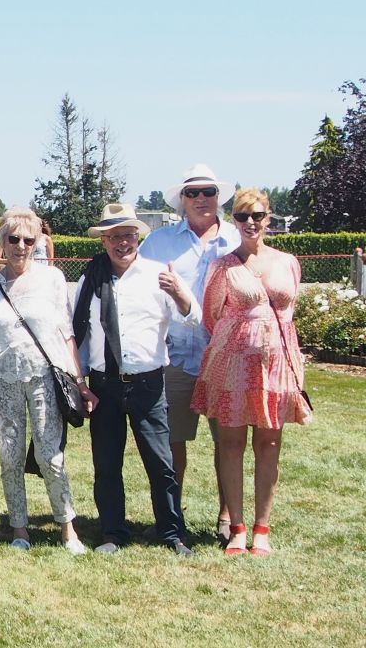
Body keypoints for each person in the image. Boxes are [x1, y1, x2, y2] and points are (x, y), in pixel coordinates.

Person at [0, 208, 95, 554]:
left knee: (51, 454)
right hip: (2, 380)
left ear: (37, 242)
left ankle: (68, 527)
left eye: (28, 240)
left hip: (43, 378)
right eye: (13, 239)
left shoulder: (51, 280)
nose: (21, 246)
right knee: (10, 456)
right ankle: (19, 529)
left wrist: (79, 383)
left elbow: (67, 334)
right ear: (2, 243)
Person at [190, 188, 313, 556]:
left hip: (277, 366)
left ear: (269, 219)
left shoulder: (287, 262)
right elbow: (211, 316)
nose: (250, 223)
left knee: (269, 444)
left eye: (257, 215)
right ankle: (237, 528)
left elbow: (289, 316)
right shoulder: (223, 266)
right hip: (231, 366)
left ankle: (262, 528)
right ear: (234, 221)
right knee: (230, 444)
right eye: (242, 217)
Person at [74, 203, 198, 556]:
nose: (122, 243)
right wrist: (80, 383)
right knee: (107, 465)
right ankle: (113, 532)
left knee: (162, 464)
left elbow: (191, 318)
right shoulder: (91, 278)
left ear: (138, 236)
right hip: (104, 386)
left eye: (128, 235)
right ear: (103, 242)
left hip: (148, 385)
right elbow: (76, 332)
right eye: (114, 236)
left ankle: (172, 533)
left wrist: (178, 293)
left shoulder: (159, 274)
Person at [140, 163, 241, 543]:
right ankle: (171, 517)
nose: (201, 199)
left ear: (219, 197)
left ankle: (229, 517)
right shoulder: (159, 242)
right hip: (175, 356)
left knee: (228, 443)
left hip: (226, 359)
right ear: (181, 200)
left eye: (208, 192)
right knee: (171, 443)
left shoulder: (236, 239)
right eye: (193, 193)